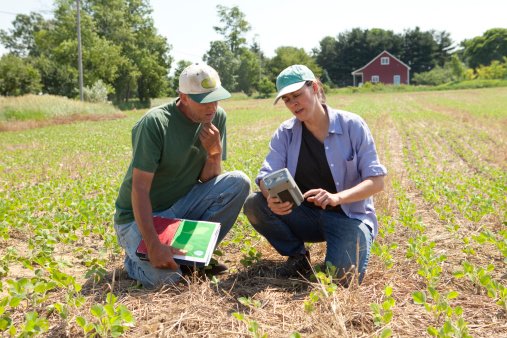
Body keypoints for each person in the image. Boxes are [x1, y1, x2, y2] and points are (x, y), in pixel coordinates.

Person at [243, 65, 387, 286]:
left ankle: (341, 247)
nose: (293, 104)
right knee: (255, 204)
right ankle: (298, 257)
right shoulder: (286, 132)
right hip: (304, 215)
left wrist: (336, 198)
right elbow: (266, 175)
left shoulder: (352, 125)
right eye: (287, 100)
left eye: (298, 95)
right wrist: (270, 196)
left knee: (342, 280)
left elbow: (376, 181)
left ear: (315, 88)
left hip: (347, 217)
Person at [114, 63, 250, 288]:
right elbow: (139, 189)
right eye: (204, 101)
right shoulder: (155, 123)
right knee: (168, 280)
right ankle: (134, 261)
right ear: (183, 97)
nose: (212, 107)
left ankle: (190, 258)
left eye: (216, 99)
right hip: (137, 218)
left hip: (181, 205)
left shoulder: (217, 118)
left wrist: (214, 151)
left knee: (238, 183)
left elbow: (209, 179)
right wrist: (153, 244)